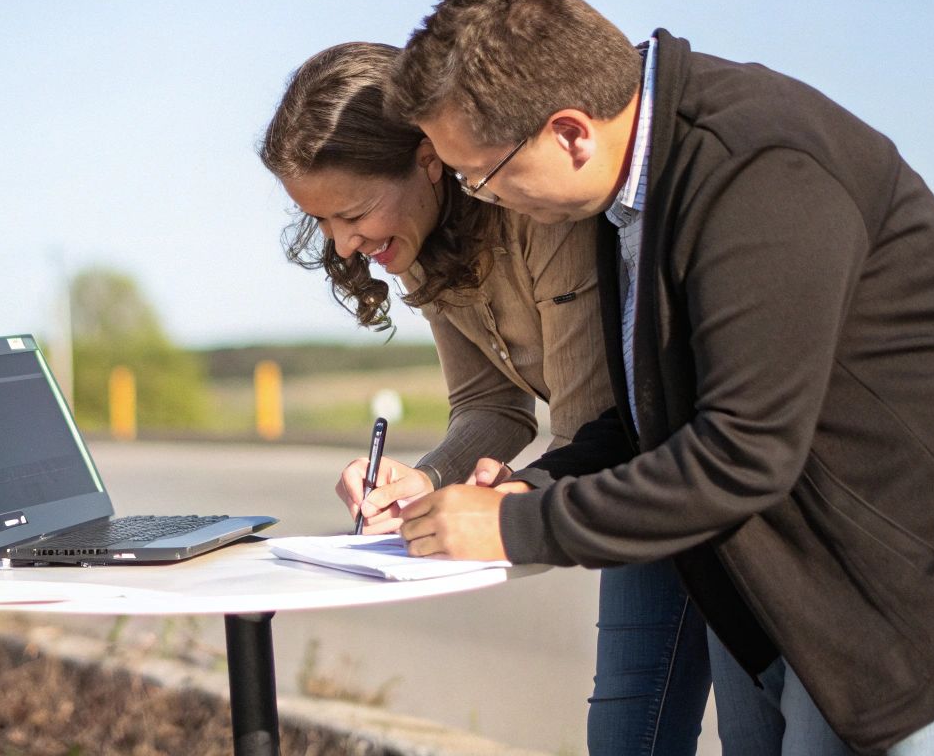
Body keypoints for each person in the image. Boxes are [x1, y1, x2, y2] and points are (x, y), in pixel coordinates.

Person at [383, 0, 934, 755]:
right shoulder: (632, 187)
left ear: (569, 132)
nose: (479, 198)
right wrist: (535, 482)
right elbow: (660, 416)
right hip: (857, 592)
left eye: (479, 176)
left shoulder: (756, 167)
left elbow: (742, 453)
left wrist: (519, 525)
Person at [258, 41, 728, 755]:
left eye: (349, 213)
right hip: (634, 480)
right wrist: (426, 480)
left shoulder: (540, 214)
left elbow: (588, 426)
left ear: (426, 157)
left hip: (675, 472)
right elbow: (490, 404)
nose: (345, 247)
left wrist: (502, 506)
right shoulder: (414, 236)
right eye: (323, 224)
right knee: (628, 737)